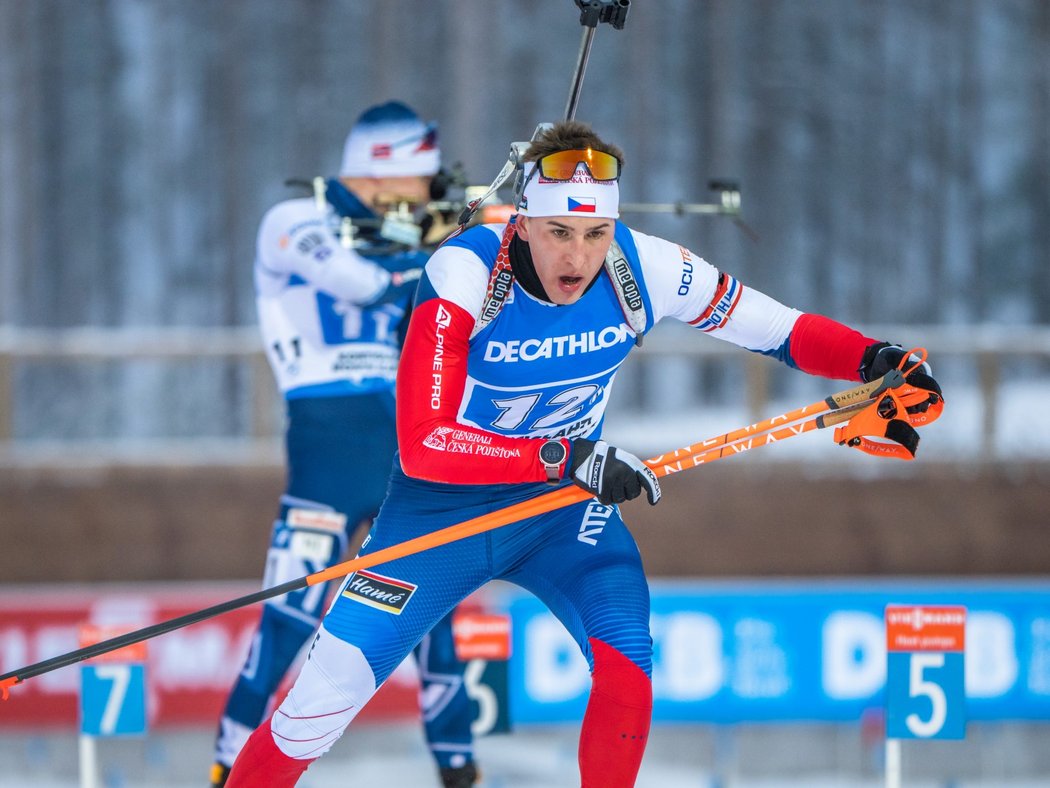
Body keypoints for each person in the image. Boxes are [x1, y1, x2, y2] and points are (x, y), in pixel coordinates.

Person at [224, 120, 941, 787]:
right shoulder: (464, 273)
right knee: (319, 704)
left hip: (563, 511)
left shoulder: (643, 269)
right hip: (439, 513)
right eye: (559, 231)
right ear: (523, 222)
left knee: (628, 665)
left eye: (596, 232)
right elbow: (424, 444)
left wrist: (877, 358)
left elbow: (780, 330)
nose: (577, 257)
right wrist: (564, 458)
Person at [209, 101, 478, 788]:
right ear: (384, 171)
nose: (427, 195)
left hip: (402, 445)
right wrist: (432, 253)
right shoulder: (292, 221)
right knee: (286, 622)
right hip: (328, 449)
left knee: (434, 615)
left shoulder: (405, 235)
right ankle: (225, 768)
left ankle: (460, 771)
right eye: (420, 181)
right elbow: (355, 279)